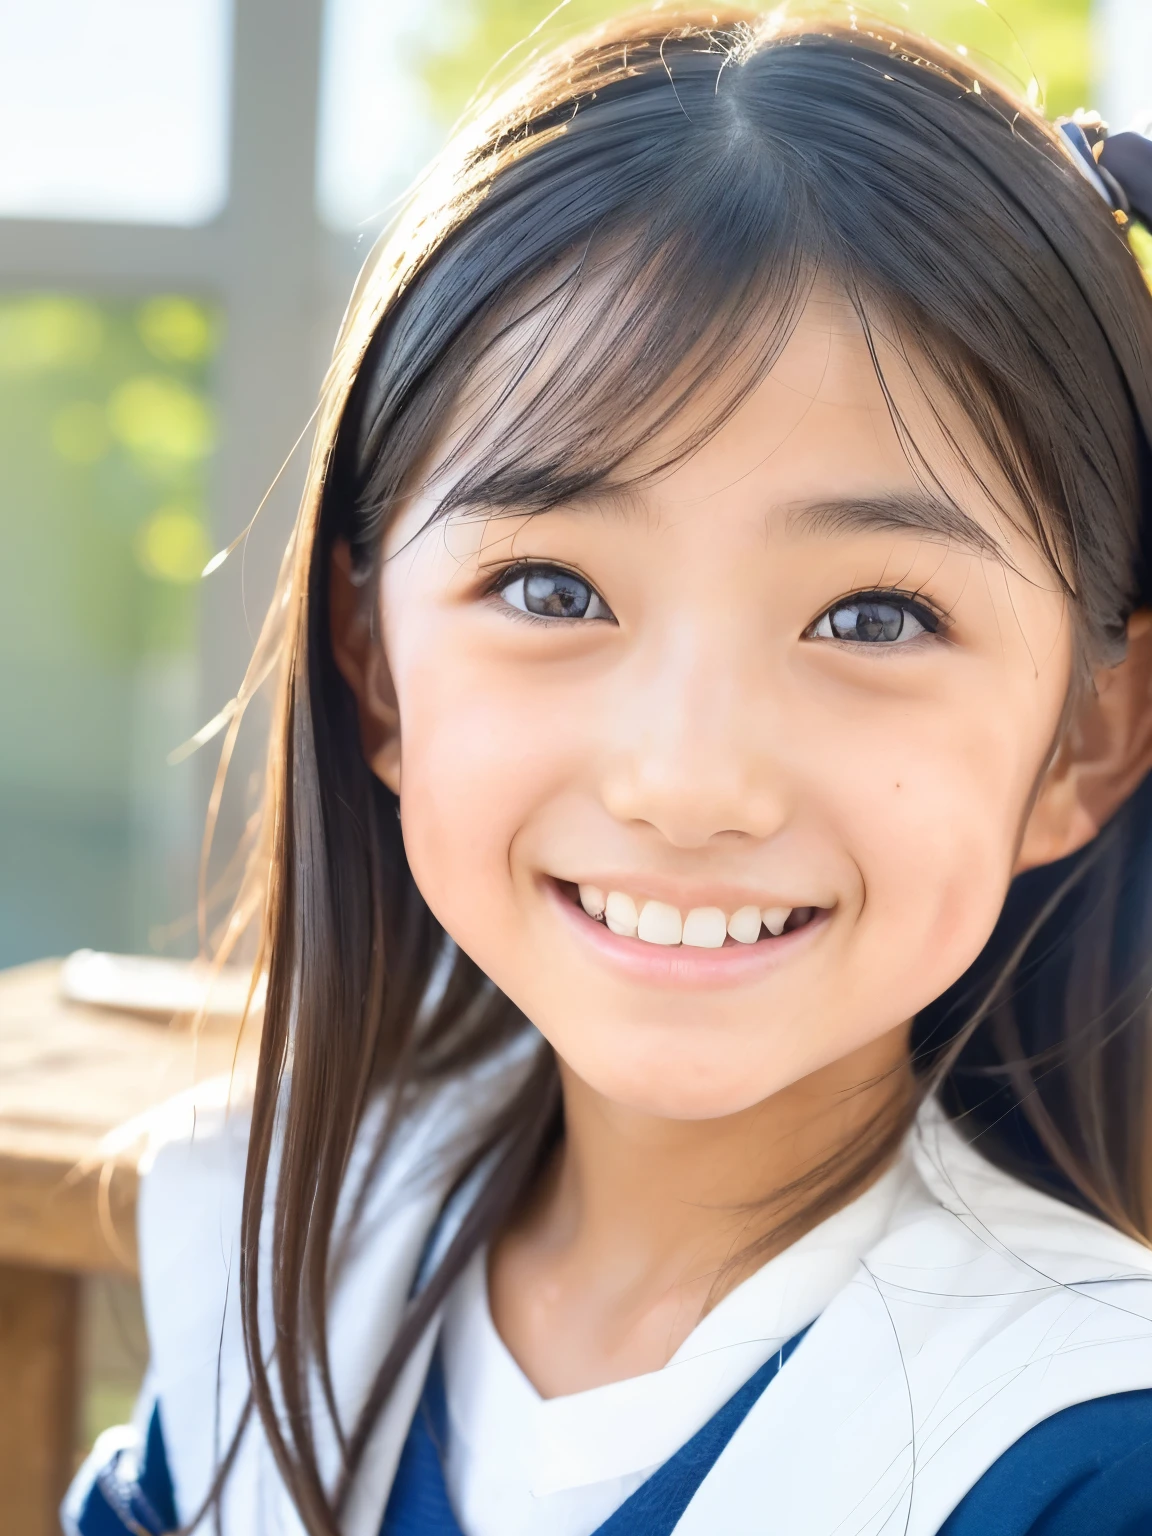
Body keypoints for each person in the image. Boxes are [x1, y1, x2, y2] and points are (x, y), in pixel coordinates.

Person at [63, 9, 1152, 1535]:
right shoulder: (273, 1288)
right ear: (373, 661)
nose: (689, 779)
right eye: (554, 591)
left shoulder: (1084, 1451)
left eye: (875, 616)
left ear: (1089, 730)